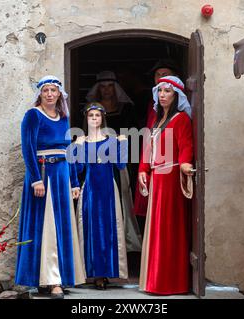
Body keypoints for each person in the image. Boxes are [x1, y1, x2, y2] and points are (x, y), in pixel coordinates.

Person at [15, 75, 86, 299]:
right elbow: (28, 149)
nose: (49, 94)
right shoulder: (32, 116)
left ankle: (60, 278)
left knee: (61, 226)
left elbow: (69, 152)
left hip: (62, 175)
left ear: (59, 94)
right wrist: (36, 179)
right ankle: (48, 280)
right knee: (45, 226)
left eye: (53, 90)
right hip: (43, 175)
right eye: (45, 90)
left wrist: (74, 182)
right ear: (40, 93)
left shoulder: (64, 118)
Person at [138, 75, 194, 295]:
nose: (162, 95)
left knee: (169, 230)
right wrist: (143, 169)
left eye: (167, 91)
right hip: (157, 181)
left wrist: (186, 165)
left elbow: (186, 146)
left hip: (170, 180)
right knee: (156, 230)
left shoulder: (181, 119)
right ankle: (154, 280)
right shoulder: (157, 121)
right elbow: (148, 150)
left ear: (176, 95)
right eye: (160, 91)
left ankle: (170, 282)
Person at [71, 102, 129, 289]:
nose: (94, 119)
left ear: (102, 118)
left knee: (109, 229)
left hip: (108, 190)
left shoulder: (111, 140)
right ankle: (93, 273)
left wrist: (123, 144)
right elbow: (78, 168)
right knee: (92, 230)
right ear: (86, 118)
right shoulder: (82, 141)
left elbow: (120, 165)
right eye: (91, 116)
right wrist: (76, 147)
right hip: (90, 190)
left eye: (97, 115)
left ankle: (107, 272)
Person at [86, 71, 142, 253]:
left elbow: (133, 136)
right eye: (102, 86)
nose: (107, 90)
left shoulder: (126, 109)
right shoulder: (92, 111)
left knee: (122, 195)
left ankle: (121, 239)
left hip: (119, 159)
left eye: (110, 86)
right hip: (96, 162)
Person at [133, 59, 180, 231]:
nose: (161, 78)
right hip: (150, 155)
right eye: (158, 75)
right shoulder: (152, 105)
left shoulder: (179, 109)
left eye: (165, 75)